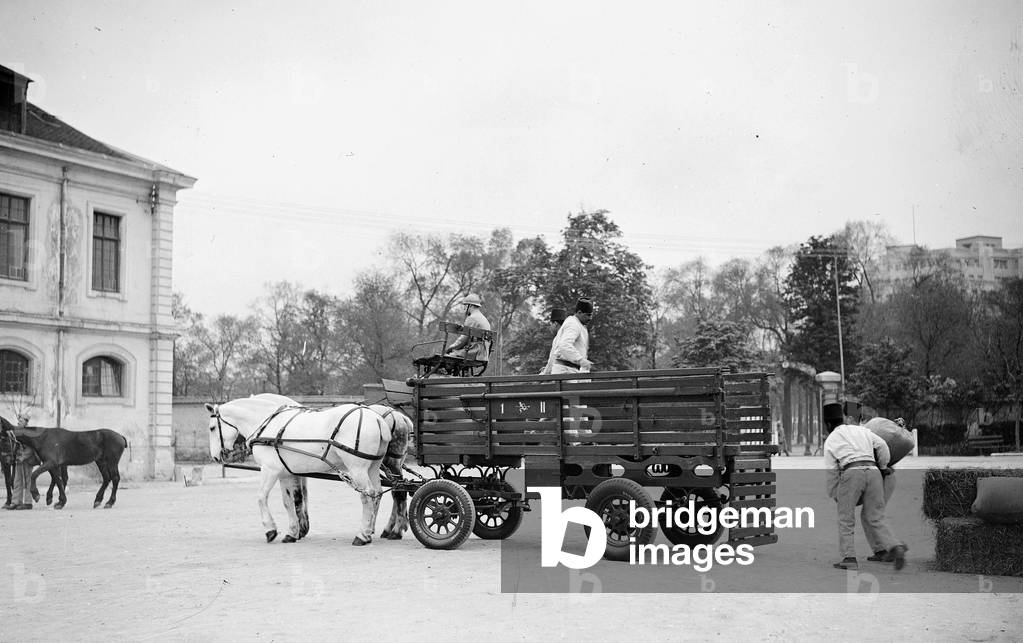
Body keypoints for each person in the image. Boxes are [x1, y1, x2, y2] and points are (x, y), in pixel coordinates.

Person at [822, 402, 907, 571]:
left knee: (846, 518)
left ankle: (849, 557)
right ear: (843, 418)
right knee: (875, 516)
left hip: (852, 472)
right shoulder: (863, 430)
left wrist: (835, 494)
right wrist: (882, 467)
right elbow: (882, 446)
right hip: (874, 472)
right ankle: (894, 547)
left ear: (828, 424)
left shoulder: (831, 439)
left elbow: (831, 471)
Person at [444, 293, 492, 363]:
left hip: (474, 352)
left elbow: (464, 339)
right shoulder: (484, 319)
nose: (465, 308)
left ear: (471, 306)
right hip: (483, 354)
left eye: (466, 305)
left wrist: (451, 347)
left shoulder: (472, 318)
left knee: (448, 356)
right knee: (455, 353)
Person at [551, 298, 593, 375]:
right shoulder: (573, 324)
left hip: (572, 370)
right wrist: (580, 360)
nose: (590, 318)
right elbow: (564, 345)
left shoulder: (579, 325)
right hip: (565, 370)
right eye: (588, 315)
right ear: (579, 312)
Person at [6, 417, 37, 510]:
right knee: (17, 481)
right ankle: (16, 501)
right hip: (18, 459)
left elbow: (31, 447)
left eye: (21, 421)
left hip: (27, 460)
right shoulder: (17, 433)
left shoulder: (29, 433)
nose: (18, 422)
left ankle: (28, 502)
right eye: (18, 421)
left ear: (26, 423)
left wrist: (23, 456)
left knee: (28, 481)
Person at [539, 307, 568, 375]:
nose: (550, 327)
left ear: (555, 323)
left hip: (563, 380)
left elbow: (553, 360)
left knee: (538, 384)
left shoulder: (559, 338)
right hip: (577, 379)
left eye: (550, 324)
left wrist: (543, 373)